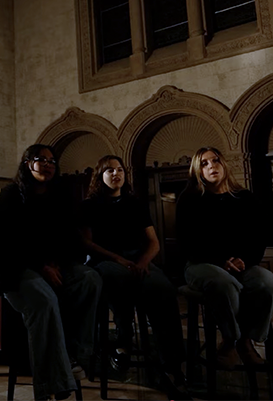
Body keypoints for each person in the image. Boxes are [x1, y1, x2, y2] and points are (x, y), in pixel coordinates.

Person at [0, 144, 101, 401]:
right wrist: (42, 266)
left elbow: (68, 238)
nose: (48, 164)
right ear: (28, 163)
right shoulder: (11, 195)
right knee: (44, 300)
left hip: (54, 266)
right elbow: (9, 241)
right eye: (41, 159)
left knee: (90, 279)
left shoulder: (60, 197)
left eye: (52, 160)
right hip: (18, 270)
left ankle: (76, 355)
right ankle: (56, 382)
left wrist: (57, 264)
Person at [80, 155, 190, 400]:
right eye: (109, 170)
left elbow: (153, 243)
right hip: (106, 260)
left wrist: (142, 263)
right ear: (100, 175)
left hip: (137, 259)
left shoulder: (134, 204)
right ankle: (123, 338)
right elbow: (86, 242)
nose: (116, 174)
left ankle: (172, 364)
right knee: (120, 278)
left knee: (163, 289)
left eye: (120, 170)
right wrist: (119, 260)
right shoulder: (90, 205)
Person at [176, 146, 273, 369]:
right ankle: (229, 340)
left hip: (241, 263)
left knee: (271, 285)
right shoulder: (189, 199)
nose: (211, 166)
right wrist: (219, 261)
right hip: (201, 263)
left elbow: (258, 236)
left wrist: (243, 258)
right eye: (204, 164)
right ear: (198, 170)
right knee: (224, 283)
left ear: (223, 164)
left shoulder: (245, 198)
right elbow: (188, 242)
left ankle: (246, 340)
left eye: (215, 161)